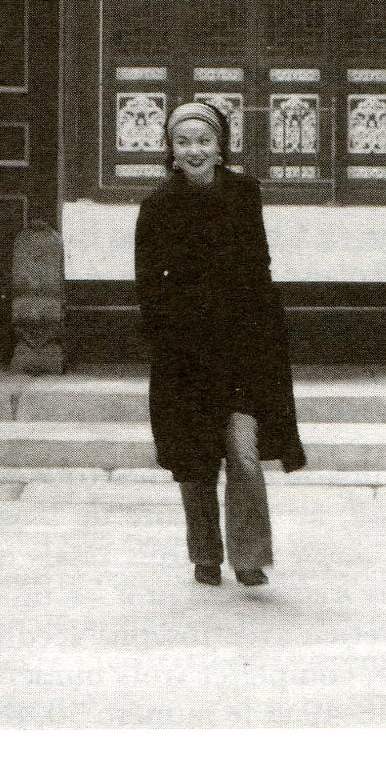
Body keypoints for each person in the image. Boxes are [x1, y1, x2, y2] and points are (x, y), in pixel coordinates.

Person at [134, 101, 306, 588]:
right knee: (195, 459)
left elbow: (260, 266)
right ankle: (205, 553)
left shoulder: (243, 193)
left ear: (219, 146)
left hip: (242, 349)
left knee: (243, 452)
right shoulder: (158, 205)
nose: (195, 150)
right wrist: (167, 344)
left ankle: (249, 556)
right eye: (184, 141)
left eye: (204, 140)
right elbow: (148, 285)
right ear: (170, 148)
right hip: (186, 355)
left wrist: (267, 338)